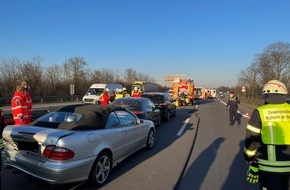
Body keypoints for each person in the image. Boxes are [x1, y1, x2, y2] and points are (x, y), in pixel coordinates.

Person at [244, 79, 290, 190]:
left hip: (269, 168)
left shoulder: (260, 112)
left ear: (266, 95)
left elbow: (252, 139)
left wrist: (250, 158)